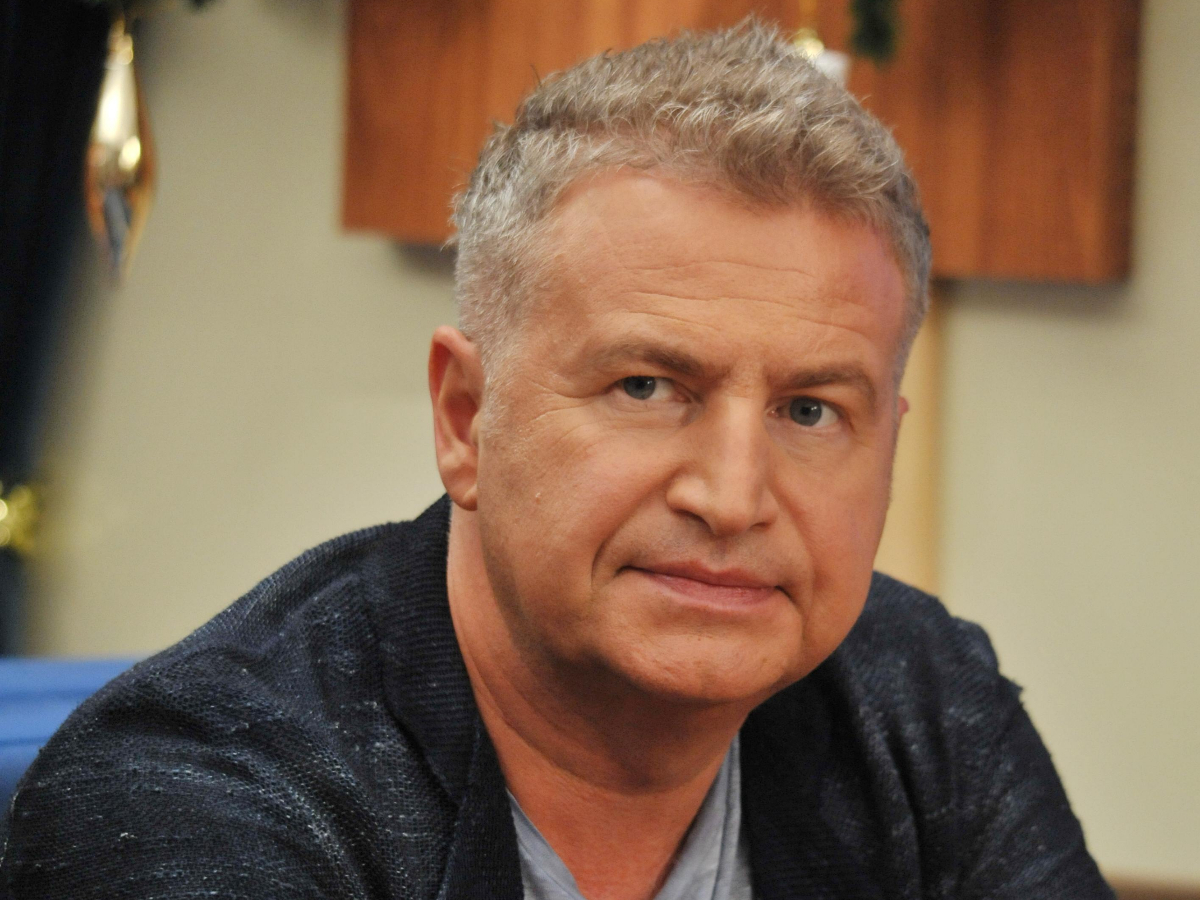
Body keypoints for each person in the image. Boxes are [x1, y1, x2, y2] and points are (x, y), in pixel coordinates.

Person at [2, 22, 1112, 900]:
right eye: (648, 388)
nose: (732, 497)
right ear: (464, 417)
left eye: (811, 411)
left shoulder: (920, 701)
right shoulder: (187, 798)